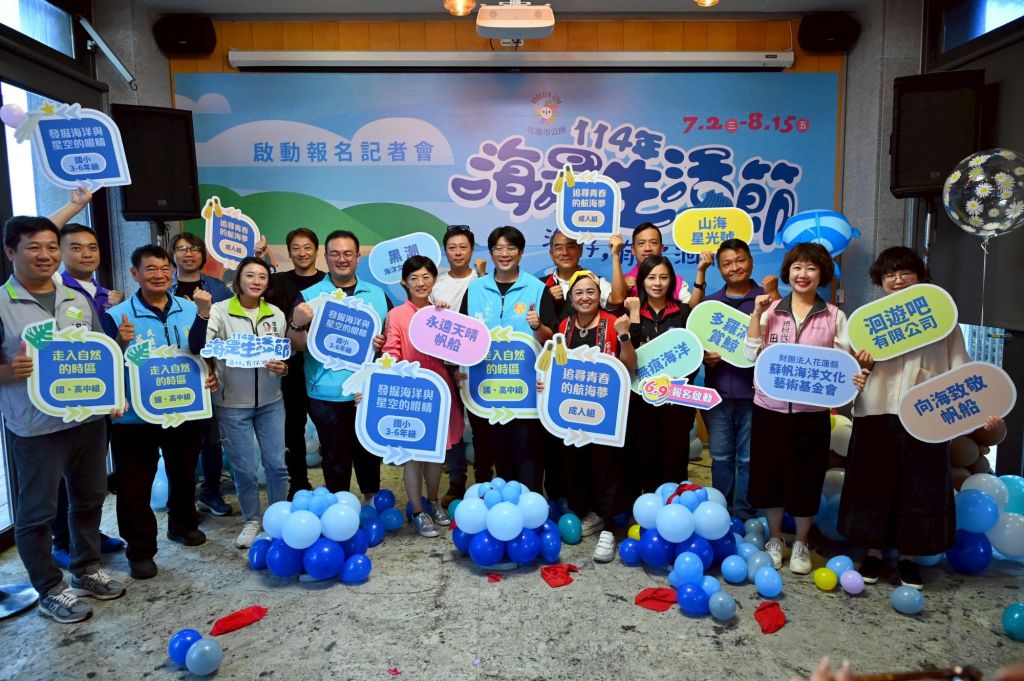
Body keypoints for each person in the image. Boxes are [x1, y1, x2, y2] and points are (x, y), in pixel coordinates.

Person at [838, 246, 1005, 588]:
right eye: (889, 275)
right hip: (877, 411)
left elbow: (961, 369)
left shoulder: (944, 320)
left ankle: (909, 558)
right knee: (872, 483)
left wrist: (983, 410)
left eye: (904, 273)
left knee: (920, 486)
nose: (897, 280)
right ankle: (873, 553)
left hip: (928, 415)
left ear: (920, 276)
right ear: (880, 281)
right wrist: (863, 364)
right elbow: (849, 372)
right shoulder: (868, 322)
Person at [0, 213, 126, 623]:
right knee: (37, 513)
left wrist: (113, 394)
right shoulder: (2, 304)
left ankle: (86, 568)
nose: (45, 255)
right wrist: (8, 371)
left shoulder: (76, 299)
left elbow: (100, 352)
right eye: (33, 247)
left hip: (87, 420)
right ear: (11, 252)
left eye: (51, 247)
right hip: (35, 428)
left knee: (89, 499)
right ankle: (50, 589)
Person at [743, 243, 865, 575]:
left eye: (811, 268)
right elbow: (751, 352)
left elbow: (844, 364)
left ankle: (801, 542)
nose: (803, 274)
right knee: (770, 475)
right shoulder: (771, 310)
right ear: (788, 272)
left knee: (807, 478)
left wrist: (857, 375)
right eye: (797, 267)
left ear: (821, 274)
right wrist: (756, 314)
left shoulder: (835, 316)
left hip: (811, 415)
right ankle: (775, 538)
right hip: (769, 408)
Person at [106, 245, 217, 580]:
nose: (159, 274)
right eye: (150, 268)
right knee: (134, 484)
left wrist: (210, 373)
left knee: (184, 472)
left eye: (165, 268)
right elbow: (105, 364)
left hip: (184, 408)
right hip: (133, 418)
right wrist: (119, 341)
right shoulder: (117, 315)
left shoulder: (191, 308)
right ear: (135, 274)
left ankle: (182, 525)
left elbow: (203, 350)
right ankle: (140, 550)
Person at [46, 189, 126, 565]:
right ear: (60, 252)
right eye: (75, 248)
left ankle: (90, 534)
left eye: (92, 247)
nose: (86, 254)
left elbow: (109, 349)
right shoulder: (55, 288)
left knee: (89, 479)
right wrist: (76, 206)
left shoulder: (106, 293)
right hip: (66, 395)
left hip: (101, 394)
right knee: (63, 476)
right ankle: (62, 541)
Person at [190, 257, 289, 549]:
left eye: (262, 276)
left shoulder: (276, 314)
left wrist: (284, 368)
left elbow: (283, 355)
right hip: (232, 404)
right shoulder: (220, 311)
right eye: (250, 275)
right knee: (244, 469)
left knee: (277, 465)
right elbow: (199, 346)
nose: (256, 281)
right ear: (238, 280)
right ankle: (252, 520)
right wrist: (203, 313)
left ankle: (278, 519)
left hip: (272, 402)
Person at [288, 230, 390, 501]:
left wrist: (382, 342)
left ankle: (372, 501)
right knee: (334, 455)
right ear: (326, 256)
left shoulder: (377, 294)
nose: (341, 259)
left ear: (357, 257)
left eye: (347, 253)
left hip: (366, 391)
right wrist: (297, 322)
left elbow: (391, 340)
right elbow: (296, 344)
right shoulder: (310, 295)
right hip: (326, 391)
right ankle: (338, 505)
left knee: (369, 451)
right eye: (335, 253)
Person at [460, 226, 559, 491]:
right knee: (496, 454)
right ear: (491, 253)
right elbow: (462, 337)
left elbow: (551, 339)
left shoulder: (537, 289)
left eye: (511, 248)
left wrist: (538, 326)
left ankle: (531, 504)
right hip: (486, 389)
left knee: (528, 453)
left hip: (526, 390)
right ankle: (502, 508)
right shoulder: (475, 290)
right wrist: (459, 370)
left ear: (521, 253)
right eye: (498, 248)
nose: (505, 254)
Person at [546, 271, 634, 562]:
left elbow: (630, 367)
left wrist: (624, 336)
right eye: (579, 293)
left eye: (590, 292)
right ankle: (589, 514)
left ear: (599, 295)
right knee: (575, 466)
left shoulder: (613, 322)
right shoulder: (565, 325)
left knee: (606, 468)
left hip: (607, 414)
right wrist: (546, 384)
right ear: (570, 298)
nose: (585, 297)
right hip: (573, 412)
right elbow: (558, 366)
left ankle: (609, 527)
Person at [380, 256, 465, 537]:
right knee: (413, 456)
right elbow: (391, 353)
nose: (420, 282)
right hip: (411, 392)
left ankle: (432, 503)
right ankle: (417, 512)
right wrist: (394, 376)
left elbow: (455, 352)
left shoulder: (441, 313)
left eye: (426, 277)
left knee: (436, 455)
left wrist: (458, 370)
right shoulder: (396, 315)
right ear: (404, 282)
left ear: (434, 280)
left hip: (440, 391)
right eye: (414, 278)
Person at [699, 239, 779, 520]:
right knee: (720, 457)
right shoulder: (710, 304)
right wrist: (704, 357)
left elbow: (782, 340)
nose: (734, 267)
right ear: (719, 268)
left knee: (748, 458)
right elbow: (695, 344)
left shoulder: (767, 300)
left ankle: (745, 513)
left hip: (757, 395)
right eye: (727, 263)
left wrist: (774, 294)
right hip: (718, 393)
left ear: (751, 262)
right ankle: (720, 512)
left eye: (740, 260)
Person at [169, 232, 234, 518]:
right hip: (171, 374)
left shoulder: (217, 288)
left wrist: (218, 368)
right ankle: (180, 499)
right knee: (176, 440)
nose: (189, 253)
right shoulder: (163, 286)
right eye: (182, 248)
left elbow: (231, 329)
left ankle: (210, 492)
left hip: (208, 372)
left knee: (211, 438)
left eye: (195, 248)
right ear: (173, 255)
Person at [625, 255, 696, 496]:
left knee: (675, 460)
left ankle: (675, 506)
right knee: (645, 459)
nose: (657, 283)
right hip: (640, 403)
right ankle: (648, 507)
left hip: (676, 404)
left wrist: (675, 386)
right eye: (651, 277)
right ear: (641, 281)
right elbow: (628, 355)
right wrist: (635, 316)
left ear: (672, 281)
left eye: (663, 277)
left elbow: (694, 355)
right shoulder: (630, 312)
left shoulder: (684, 312)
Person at [264, 228, 326, 499]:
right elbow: (252, 289)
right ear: (289, 252)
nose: (302, 253)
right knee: (293, 427)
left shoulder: (327, 283)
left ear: (316, 250)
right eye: (296, 248)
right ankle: (298, 482)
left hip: (323, 368)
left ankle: (335, 482)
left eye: (307, 247)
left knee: (329, 426)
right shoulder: (277, 282)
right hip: (289, 367)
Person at [431, 225, 483, 504]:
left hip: (478, 365)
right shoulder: (436, 284)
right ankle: (456, 483)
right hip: (445, 365)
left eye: (463, 247)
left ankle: (485, 483)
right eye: (452, 247)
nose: (458, 252)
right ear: (445, 251)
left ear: (472, 250)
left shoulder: (482, 281)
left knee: (482, 426)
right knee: (451, 428)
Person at [610, 223, 702, 309]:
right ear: (633, 250)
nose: (647, 248)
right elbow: (615, 303)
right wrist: (623, 288)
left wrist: (702, 272)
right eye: (641, 243)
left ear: (662, 248)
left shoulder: (675, 281)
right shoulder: (621, 282)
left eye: (653, 242)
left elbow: (693, 310)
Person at [542, 231, 611, 320]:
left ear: (580, 251)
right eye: (559, 248)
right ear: (551, 254)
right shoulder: (539, 286)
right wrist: (546, 300)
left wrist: (615, 255)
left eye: (570, 247)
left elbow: (616, 300)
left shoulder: (596, 281)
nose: (565, 252)